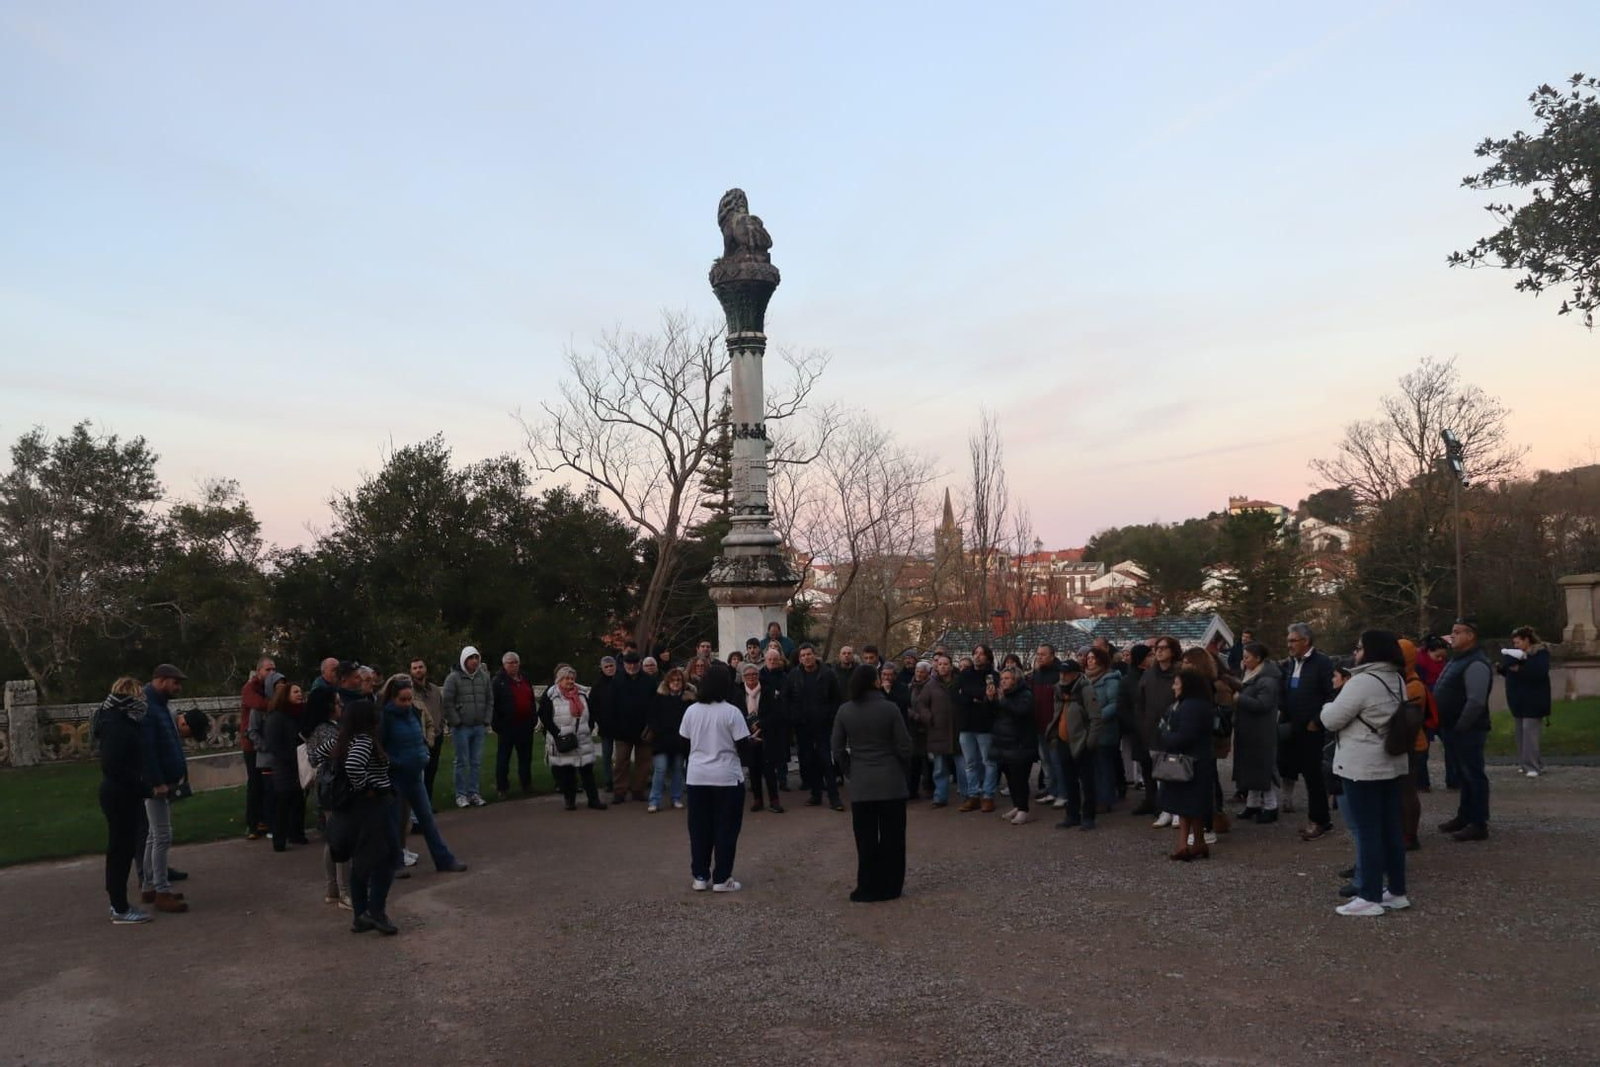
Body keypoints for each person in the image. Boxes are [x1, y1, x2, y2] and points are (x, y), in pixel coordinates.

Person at [1320, 630, 1411, 916]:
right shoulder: (1397, 679)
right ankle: (1396, 891)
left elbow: (1332, 719)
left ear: (1370, 651)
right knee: (1390, 830)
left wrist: (1326, 706)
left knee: (1368, 831)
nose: (1355, 652)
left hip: (1361, 765)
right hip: (1390, 761)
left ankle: (1369, 896)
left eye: (1359, 647)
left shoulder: (1361, 681)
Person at [318, 698, 401, 935]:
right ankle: (376, 911)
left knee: (362, 860)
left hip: (354, 808)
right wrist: (365, 786)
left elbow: (316, 754)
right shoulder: (364, 740)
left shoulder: (342, 739)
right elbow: (354, 765)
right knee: (387, 857)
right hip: (372, 804)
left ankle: (360, 914)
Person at [833, 664, 914, 902]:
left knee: (865, 839)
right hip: (891, 780)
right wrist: (901, 767)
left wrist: (850, 770)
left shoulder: (845, 710)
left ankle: (867, 886)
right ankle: (891, 886)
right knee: (893, 838)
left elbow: (837, 748)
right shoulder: (890, 708)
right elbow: (905, 745)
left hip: (861, 782)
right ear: (875, 682)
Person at [379, 674, 468, 874]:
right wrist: (395, 763)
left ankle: (443, 859)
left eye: (409, 699)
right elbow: (379, 747)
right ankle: (395, 863)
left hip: (414, 775)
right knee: (395, 822)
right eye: (402, 699)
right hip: (396, 778)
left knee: (427, 819)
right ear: (392, 698)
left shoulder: (412, 713)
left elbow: (418, 736)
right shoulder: (385, 717)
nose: (407, 703)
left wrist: (423, 752)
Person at [680, 663, 752, 892]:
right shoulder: (732, 712)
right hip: (726, 778)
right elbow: (744, 748)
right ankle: (722, 878)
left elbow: (684, 743)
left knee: (699, 828)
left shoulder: (691, 711)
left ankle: (700, 875)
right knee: (726, 828)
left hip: (697, 776)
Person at [95, 678, 152, 924]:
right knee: (120, 849)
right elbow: (112, 765)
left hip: (122, 791)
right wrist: (142, 786)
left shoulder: (117, 720)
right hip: (120, 793)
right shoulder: (119, 724)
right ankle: (119, 907)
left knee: (122, 848)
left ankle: (118, 904)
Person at [1436, 617, 1493, 842]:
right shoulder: (1458, 660)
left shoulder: (1475, 663)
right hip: (1452, 727)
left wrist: (1461, 725)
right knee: (1463, 774)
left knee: (1473, 775)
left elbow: (1476, 701)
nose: (1453, 636)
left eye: (1458, 632)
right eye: (1452, 631)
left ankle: (1478, 822)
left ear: (1471, 636)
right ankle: (1465, 816)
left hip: (1468, 729)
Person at [138, 664, 189, 914]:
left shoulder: (158, 705)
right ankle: (161, 889)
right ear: (160, 681)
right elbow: (147, 750)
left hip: (162, 778)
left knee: (153, 835)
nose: (177, 687)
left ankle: (150, 886)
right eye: (174, 683)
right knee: (162, 835)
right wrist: (156, 781)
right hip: (156, 782)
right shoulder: (149, 707)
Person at [1281, 622, 1337, 842]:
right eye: (1288, 640)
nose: (1289, 645)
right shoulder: (1290, 664)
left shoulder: (1321, 663)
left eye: (1293, 640)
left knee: (1314, 775)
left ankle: (1320, 820)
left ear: (1306, 641)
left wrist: (1317, 720)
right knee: (1299, 772)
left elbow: (1331, 693)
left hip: (1311, 729)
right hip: (1293, 727)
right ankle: (1318, 817)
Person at [1159, 668, 1217, 861]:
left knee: (1186, 804)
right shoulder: (1199, 704)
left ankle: (1185, 844)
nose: (1173, 686)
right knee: (1192, 805)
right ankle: (1195, 842)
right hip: (1198, 760)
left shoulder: (1190, 706)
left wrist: (1165, 736)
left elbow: (1185, 736)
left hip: (1189, 761)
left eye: (1176, 683)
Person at [783, 643, 845, 810]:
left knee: (826, 760)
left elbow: (837, 699)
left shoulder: (828, 674)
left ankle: (834, 798)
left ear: (814, 655)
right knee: (809, 761)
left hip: (823, 725)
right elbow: (787, 698)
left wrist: (830, 717)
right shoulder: (794, 675)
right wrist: (793, 717)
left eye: (809, 654)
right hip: (803, 726)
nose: (806, 658)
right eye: (803, 656)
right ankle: (815, 794)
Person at [303, 698, 351, 909]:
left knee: (333, 839)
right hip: (335, 786)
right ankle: (345, 892)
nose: (341, 706)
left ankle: (333, 889)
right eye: (337, 703)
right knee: (342, 840)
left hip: (327, 787)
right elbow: (328, 756)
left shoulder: (320, 729)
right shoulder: (328, 731)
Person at [539, 666, 608, 810]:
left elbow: (592, 711)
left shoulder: (582, 693)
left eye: (572, 678)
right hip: (563, 738)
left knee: (587, 772)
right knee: (567, 773)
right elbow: (544, 716)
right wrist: (557, 732)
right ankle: (570, 800)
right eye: (566, 678)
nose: (570, 681)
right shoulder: (551, 695)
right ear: (559, 679)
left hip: (582, 737)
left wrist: (589, 727)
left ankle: (593, 800)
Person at [1232, 641, 1282, 823]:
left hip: (1261, 731)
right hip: (1249, 729)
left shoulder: (1267, 679)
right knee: (1251, 767)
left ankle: (1271, 806)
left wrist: (1240, 699)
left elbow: (1263, 704)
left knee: (1263, 768)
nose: (1243, 661)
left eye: (1247, 657)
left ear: (1258, 659)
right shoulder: (1251, 674)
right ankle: (1252, 804)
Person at [1134, 637, 1179, 823]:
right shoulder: (1148, 675)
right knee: (1160, 773)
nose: (1159, 652)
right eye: (1156, 648)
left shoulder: (1181, 672)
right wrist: (1144, 725)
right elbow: (1140, 703)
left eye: (1163, 648)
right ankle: (1166, 810)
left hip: (1176, 729)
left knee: (1177, 771)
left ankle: (1178, 811)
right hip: (1153, 729)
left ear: (1173, 651)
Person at [1054, 659, 1102, 830]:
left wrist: (1090, 743)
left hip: (1081, 743)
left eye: (1066, 673)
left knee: (1087, 782)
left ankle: (1088, 816)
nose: (1063, 676)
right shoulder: (1059, 689)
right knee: (1069, 781)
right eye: (1061, 672)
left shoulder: (1086, 690)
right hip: (1063, 741)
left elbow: (1095, 718)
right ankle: (1072, 815)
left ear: (1075, 674)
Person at [443, 645, 493, 808]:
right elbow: (447, 702)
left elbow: (489, 700)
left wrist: (486, 719)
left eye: (476, 657)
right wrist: (456, 722)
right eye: (471, 658)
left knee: (476, 761)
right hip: (461, 728)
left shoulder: (484, 677)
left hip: (478, 726)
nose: (474, 661)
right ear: (464, 660)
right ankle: (461, 794)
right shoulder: (453, 678)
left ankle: (474, 792)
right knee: (461, 761)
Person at [912, 654, 963, 807]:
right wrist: (929, 718)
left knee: (962, 768)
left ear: (951, 665)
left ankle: (968, 796)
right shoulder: (930, 685)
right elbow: (921, 705)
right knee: (940, 769)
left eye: (945, 664)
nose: (942, 667)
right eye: (939, 664)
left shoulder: (959, 682)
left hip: (957, 730)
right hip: (937, 731)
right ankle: (940, 797)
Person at [264, 682, 309, 851]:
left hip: (299, 763)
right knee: (283, 803)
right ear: (286, 695)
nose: (299, 694)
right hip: (285, 765)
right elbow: (274, 743)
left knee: (298, 800)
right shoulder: (277, 717)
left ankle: (296, 834)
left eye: (300, 691)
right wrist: (289, 758)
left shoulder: (299, 714)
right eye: (295, 691)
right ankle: (279, 839)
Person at [990, 666, 1038, 825]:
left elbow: (1020, 712)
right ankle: (1017, 806)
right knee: (1010, 778)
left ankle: (1024, 810)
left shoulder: (1025, 694)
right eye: (1002, 678)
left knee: (1020, 778)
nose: (1003, 681)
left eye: (1007, 678)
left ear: (1016, 679)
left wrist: (1002, 701)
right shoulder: (1005, 696)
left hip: (1020, 744)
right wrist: (992, 700)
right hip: (1004, 743)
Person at [1502, 625, 1551, 777]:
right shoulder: (1516, 656)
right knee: (1521, 734)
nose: (1516, 646)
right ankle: (1527, 764)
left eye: (1518, 642)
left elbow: (1539, 672)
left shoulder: (1540, 654)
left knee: (1530, 734)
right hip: (1519, 700)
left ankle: (1532, 766)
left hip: (1534, 700)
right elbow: (1509, 671)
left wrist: (1521, 669)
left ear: (1527, 640)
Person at [956, 644, 1000, 813]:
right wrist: (975, 697)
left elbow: (990, 695)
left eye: (982, 654)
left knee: (989, 762)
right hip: (966, 724)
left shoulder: (993, 675)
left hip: (985, 725)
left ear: (988, 657)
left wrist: (969, 693)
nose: (978, 656)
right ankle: (973, 795)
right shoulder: (964, 674)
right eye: (975, 653)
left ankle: (988, 795)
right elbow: (954, 694)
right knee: (970, 763)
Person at [611, 652, 656, 804]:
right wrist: (615, 725)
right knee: (621, 762)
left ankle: (638, 789)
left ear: (639, 663)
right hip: (623, 729)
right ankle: (620, 791)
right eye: (628, 663)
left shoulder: (649, 681)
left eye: (634, 663)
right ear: (624, 664)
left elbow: (654, 704)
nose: (631, 666)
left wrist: (651, 724)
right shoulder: (616, 680)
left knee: (643, 762)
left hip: (644, 729)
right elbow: (611, 706)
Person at [739, 663, 785, 813]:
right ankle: (757, 799)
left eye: (754, 674)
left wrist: (761, 724)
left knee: (769, 769)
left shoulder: (769, 690)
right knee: (753, 769)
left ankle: (774, 800)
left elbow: (776, 711)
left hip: (767, 734)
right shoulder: (739, 693)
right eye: (748, 675)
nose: (751, 677)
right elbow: (736, 713)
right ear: (743, 678)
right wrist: (747, 726)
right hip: (747, 735)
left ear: (758, 676)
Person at [492, 651, 538, 798]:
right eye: (509, 663)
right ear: (504, 665)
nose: (513, 665)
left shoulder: (525, 679)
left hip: (525, 724)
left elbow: (531, 698)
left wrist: (533, 717)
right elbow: (493, 704)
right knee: (504, 758)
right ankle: (502, 788)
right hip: (507, 726)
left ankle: (526, 784)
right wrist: (497, 724)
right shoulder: (498, 681)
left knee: (526, 757)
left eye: (515, 662)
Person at [648, 668, 695, 812]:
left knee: (678, 770)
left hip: (680, 741)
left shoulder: (688, 700)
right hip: (661, 740)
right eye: (673, 680)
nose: (675, 683)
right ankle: (654, 800)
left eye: (678, 680)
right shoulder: (659, 697)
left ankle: (676, 797)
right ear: (667, 682)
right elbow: (652, 717)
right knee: (660, 769)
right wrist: (658, 731)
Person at [1026, 645, 1066, 806]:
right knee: (1046, 762)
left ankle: (1063, 794)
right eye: (1038, 654)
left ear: (1052, 655)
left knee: (1057, 762)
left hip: (1055, 726)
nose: (1039, 657)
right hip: (1039, 725)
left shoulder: (1059, 674)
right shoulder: (1036, 675)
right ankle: (1052, 791)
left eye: (1043, 654)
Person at [239, 657, 273, 840]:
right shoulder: (250, 689)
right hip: (252, 744)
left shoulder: (268, 688)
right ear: (258, 671)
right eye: (268, 669)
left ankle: (264, 820)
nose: (271, 672)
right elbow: (259, 705)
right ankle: (252, 824)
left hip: (266, 743)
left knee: (267, 784)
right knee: (255, 783)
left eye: (273, 669)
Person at [1084, 647, 1122, 812]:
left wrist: (1097, 717)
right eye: (1088, 658)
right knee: (1092, 766)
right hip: (1089, 729)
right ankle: (1096, 797)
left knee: (1104, 766)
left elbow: (1114, 704)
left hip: (1105, 729)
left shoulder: (1110, 679)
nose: (1089, 661)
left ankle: (1106, 799)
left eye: (1093, 658)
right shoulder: (1086, 679)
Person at [408, 658, 445, 804]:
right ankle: (418, 808)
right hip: (419, 739)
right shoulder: (409, 691)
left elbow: (441, 709)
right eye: (415, 668)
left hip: (436, 736)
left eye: (420, 667)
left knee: (431, 773)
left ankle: (428, 803)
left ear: (425, 669)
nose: (418, 670)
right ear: (411, 671)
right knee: (419, 775)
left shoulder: (435, 690)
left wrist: (440, 726)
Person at [899, 662, 931, 798]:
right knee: (914, 760)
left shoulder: (931, 687)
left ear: (927, 673)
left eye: (922, 672)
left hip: (927, 728)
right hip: (912, 728)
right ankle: (912, 789)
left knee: (929, 761)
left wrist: (921, 716)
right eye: (917, 671)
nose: (918, 674)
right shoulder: (909, 687)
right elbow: (905, 704)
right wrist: (912, 714)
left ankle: (930, 787)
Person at [590, 655, 618, 794]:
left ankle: (620, 781)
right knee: (606, 755)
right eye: (606, 666)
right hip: (606, 727)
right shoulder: (598, 685)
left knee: (621, 757)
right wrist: (599, 720)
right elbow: (593, 706)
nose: (609, 668)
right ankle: (609, 782)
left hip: (621, 727)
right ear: (602, 668)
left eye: (611, 665)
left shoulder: (622, 681)